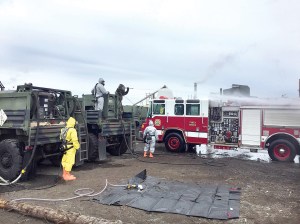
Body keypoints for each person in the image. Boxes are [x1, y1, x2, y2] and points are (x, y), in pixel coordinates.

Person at [60, 117, 80, 181]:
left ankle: (64, 174)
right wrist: (77, 147)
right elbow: (75, 140)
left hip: (64, 147)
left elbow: (61, 138)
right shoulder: (73, 130)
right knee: (70, 161)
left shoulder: (63, 129)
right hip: (71, 148)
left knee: (64, 160)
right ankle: (67, 175)